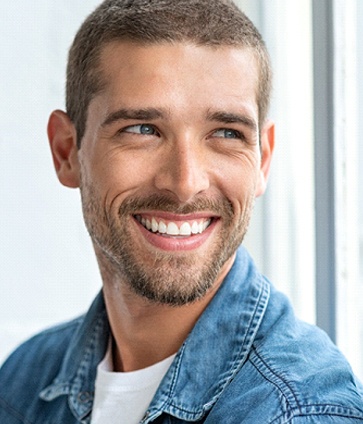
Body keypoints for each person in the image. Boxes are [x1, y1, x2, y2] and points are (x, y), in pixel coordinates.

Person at [1, 0, 363, 422]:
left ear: (262, 159)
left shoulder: (297, 411)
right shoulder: (22, 383)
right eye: (142, 130)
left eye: (226, 133)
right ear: (66, 151)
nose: (185, 182)